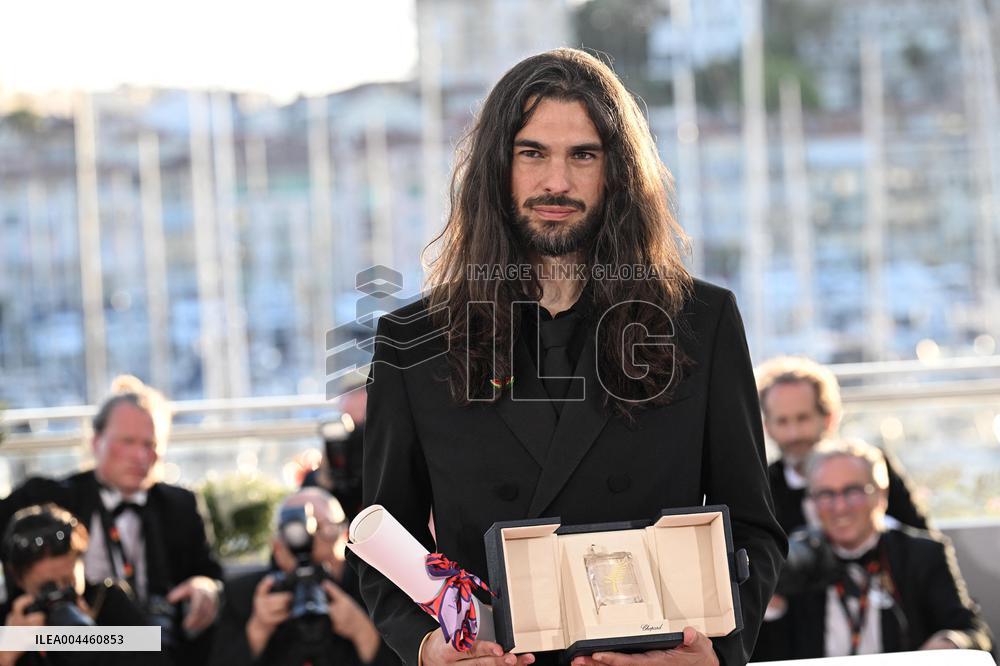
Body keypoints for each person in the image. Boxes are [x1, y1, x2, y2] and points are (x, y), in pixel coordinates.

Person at [351, 48, 785, 666]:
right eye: (532, 153)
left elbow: (754, 529)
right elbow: (384, 538)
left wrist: (716, 652)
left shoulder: (701, 322)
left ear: (618, 173)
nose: (556, 182)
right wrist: (426, 647)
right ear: (497, 168)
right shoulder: (412, 339)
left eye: (583, 155)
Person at [0, 376, 223, 665]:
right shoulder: (46, 498)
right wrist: (12, 640)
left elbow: (211, 573)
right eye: (127, 441)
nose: (140, 456)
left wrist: (206, 587)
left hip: (154, 642)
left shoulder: (180, 505)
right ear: (96, 442)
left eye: (150, 444)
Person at [769, 438, 992, 658]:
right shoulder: (797, 561)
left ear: (881, 494)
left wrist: (951, 642)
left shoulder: (921, 555)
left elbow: (977, 635)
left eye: (852, 491)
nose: (840, 507)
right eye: (826, 494)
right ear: (811, 503)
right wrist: (771, 610)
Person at [209, 488, 397, 666]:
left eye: (322, 527)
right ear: (276, 545)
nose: (310, 541)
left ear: (345, 534)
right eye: (295, 530)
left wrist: (363, 632)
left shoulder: (377, 590)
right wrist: (257, 630)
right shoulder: (245, 595)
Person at [755, 356, 928, 535]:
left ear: (829, 418)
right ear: (767, 428)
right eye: (782, 421)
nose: (794, 434)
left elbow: (923, 540)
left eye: (803, 418)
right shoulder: (762, 490)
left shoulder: (873, 467)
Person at [0, 503, 170, 666]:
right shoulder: (8, 623)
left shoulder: (106, 601)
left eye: (68, 582)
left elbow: (159, 661)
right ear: (19, 580)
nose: (60, 594)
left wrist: (94, 639)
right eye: (47, 587)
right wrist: (6, 655)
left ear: (82, 563)